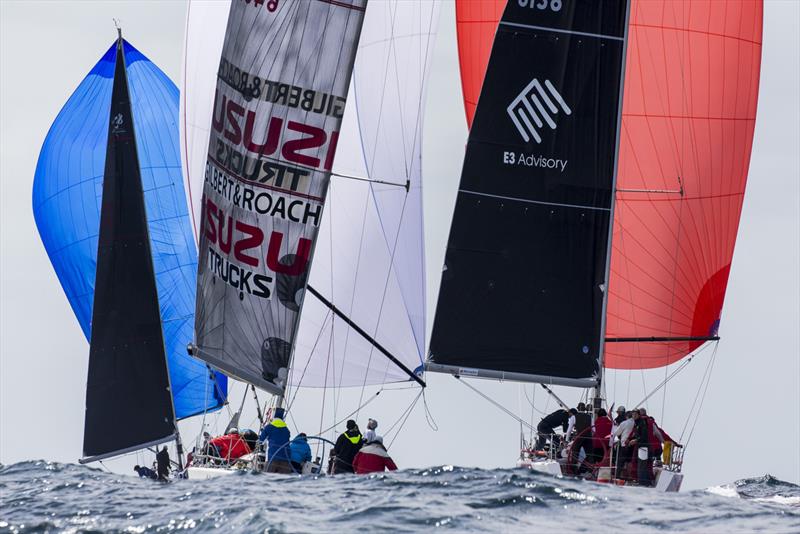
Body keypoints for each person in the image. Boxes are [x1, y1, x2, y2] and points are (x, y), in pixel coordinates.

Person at [260, 408, 292, 474]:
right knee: (284, 481)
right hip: (286, 459)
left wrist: (262, 431)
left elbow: (261, 440)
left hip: (273, 457)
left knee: (267, 480)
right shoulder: (287, 430)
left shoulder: (269, 427)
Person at [612, 410, 637, 479]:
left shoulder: (625, 423)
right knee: (630, 461)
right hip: (634, 444)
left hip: (625, 444)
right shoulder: (635, 423)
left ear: (626, 416)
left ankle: (618, 476)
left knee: (621, 461)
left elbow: (617, 433)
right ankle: (630, 476)